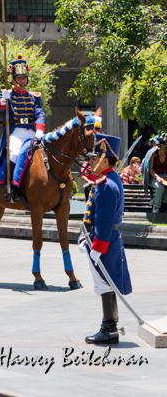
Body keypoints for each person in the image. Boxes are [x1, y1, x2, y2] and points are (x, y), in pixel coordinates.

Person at [79, 133, 131, 345]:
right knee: (106, 283)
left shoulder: (107, 185)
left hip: (105, 241)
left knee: (104, 284)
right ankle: (109, 328)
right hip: (105, 240)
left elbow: (105, 220)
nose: (89, 161)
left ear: (105, 160)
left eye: (93, 158)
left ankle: (109, 329)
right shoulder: (106, 180)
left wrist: (98, 247)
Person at [0, 54, 45, 201]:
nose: (22, 81)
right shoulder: (8, 94)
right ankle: (11, 186)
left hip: (32, 131)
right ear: (13, 80)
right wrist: (4, 99)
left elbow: (39, 113)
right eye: (19, 78)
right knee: (15, 154)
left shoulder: (34, 96)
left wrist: (40, 129)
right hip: (15, 131)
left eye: (24, 78)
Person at [147, 137, 167, 213]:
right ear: (162, 145)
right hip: (154, 176)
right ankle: (156, 206)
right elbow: (151, 169)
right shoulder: (154, 154)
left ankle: (155, 199)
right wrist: (157, 177)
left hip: (164, 176)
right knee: (160, 187)